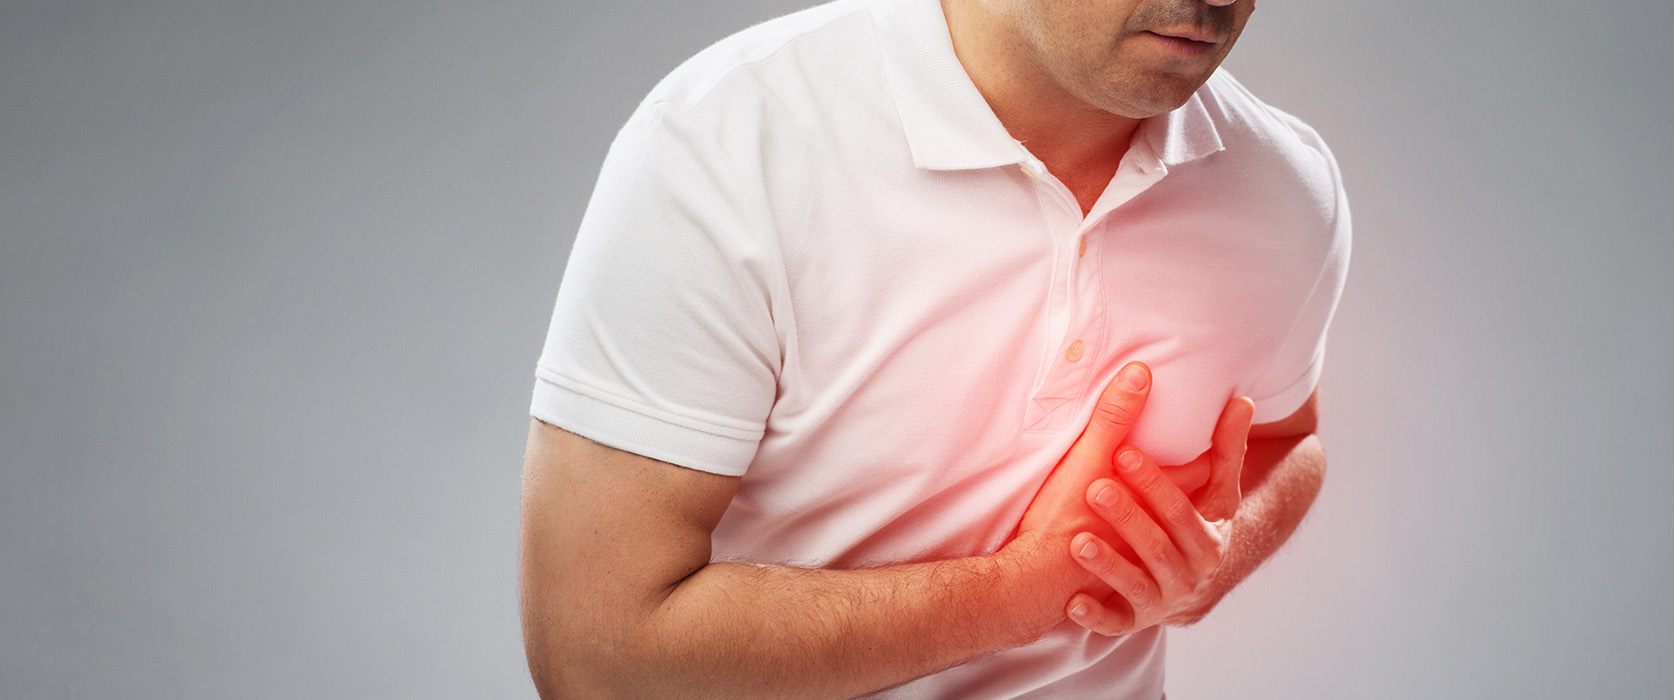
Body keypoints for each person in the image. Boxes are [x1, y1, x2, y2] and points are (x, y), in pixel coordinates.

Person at [518, 0, 1350, 696]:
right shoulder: (727, 143)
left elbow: (1289, 438)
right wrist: (1021, 592)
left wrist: (1211, 558)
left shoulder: (1284, 185)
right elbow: (594, 657)